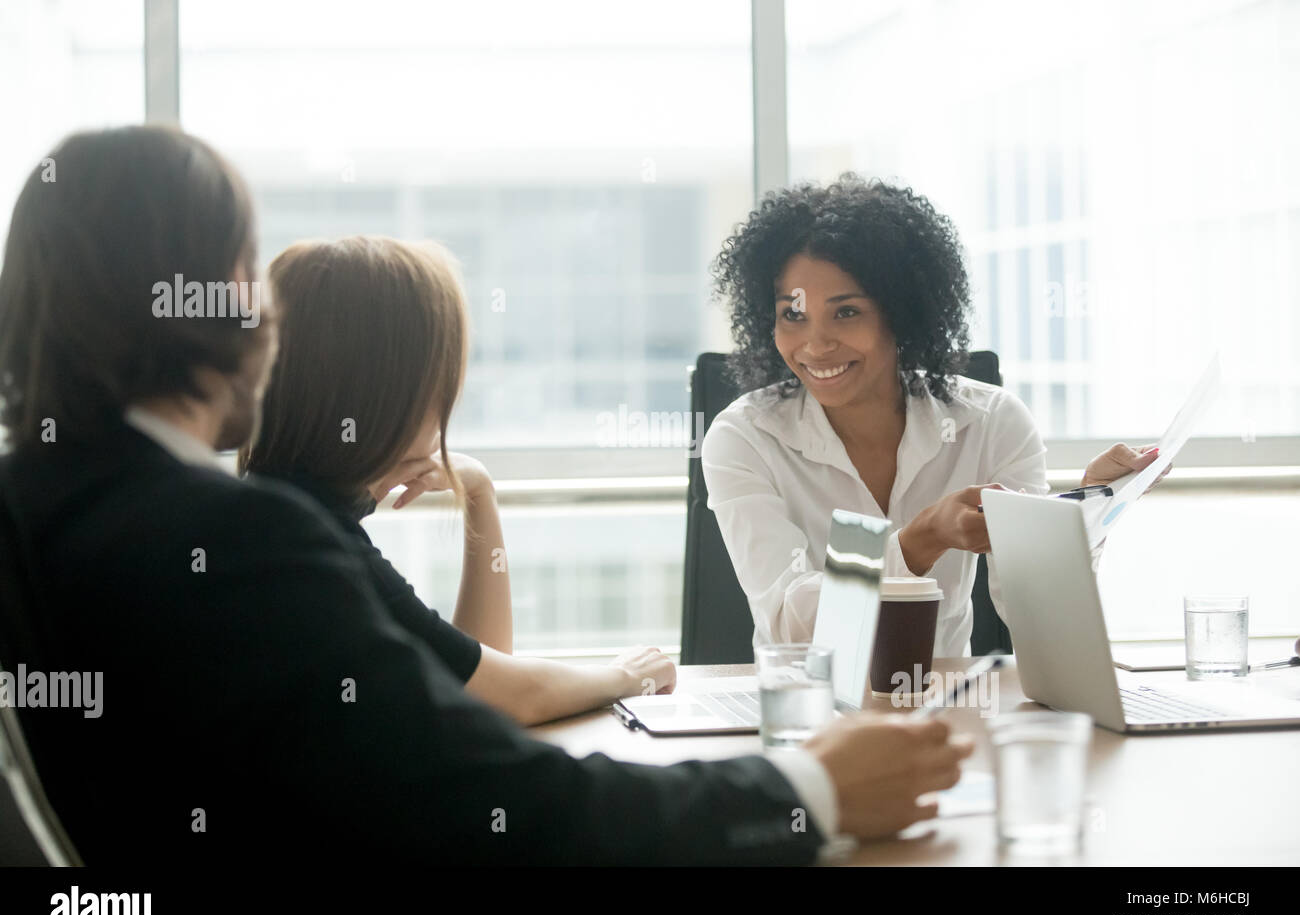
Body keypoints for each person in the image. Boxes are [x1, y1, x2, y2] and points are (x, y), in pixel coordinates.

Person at [0, 127, 973, 865]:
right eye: (249, 276)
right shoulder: (236, 538)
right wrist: (810, 786)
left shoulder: (36, 506)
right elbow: (504, 806)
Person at [703, 174, 1159, 655]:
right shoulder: (744, 437)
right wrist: (920, 541)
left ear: (900, 313)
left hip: (945, 714)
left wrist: (1088, 506)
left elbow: (1042, 620)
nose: (816, 345)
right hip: (806, 717)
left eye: (846, 312)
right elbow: (793, 628)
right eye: (793, 315)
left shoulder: (991, 423)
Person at [238, 235, 676, 726]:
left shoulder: (285, 503)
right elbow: (502, 698)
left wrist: (478, 492)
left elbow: (475, 674)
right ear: (387, 397)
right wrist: (624, 675)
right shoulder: (311, 538)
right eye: (436, 387)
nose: (443, 414)